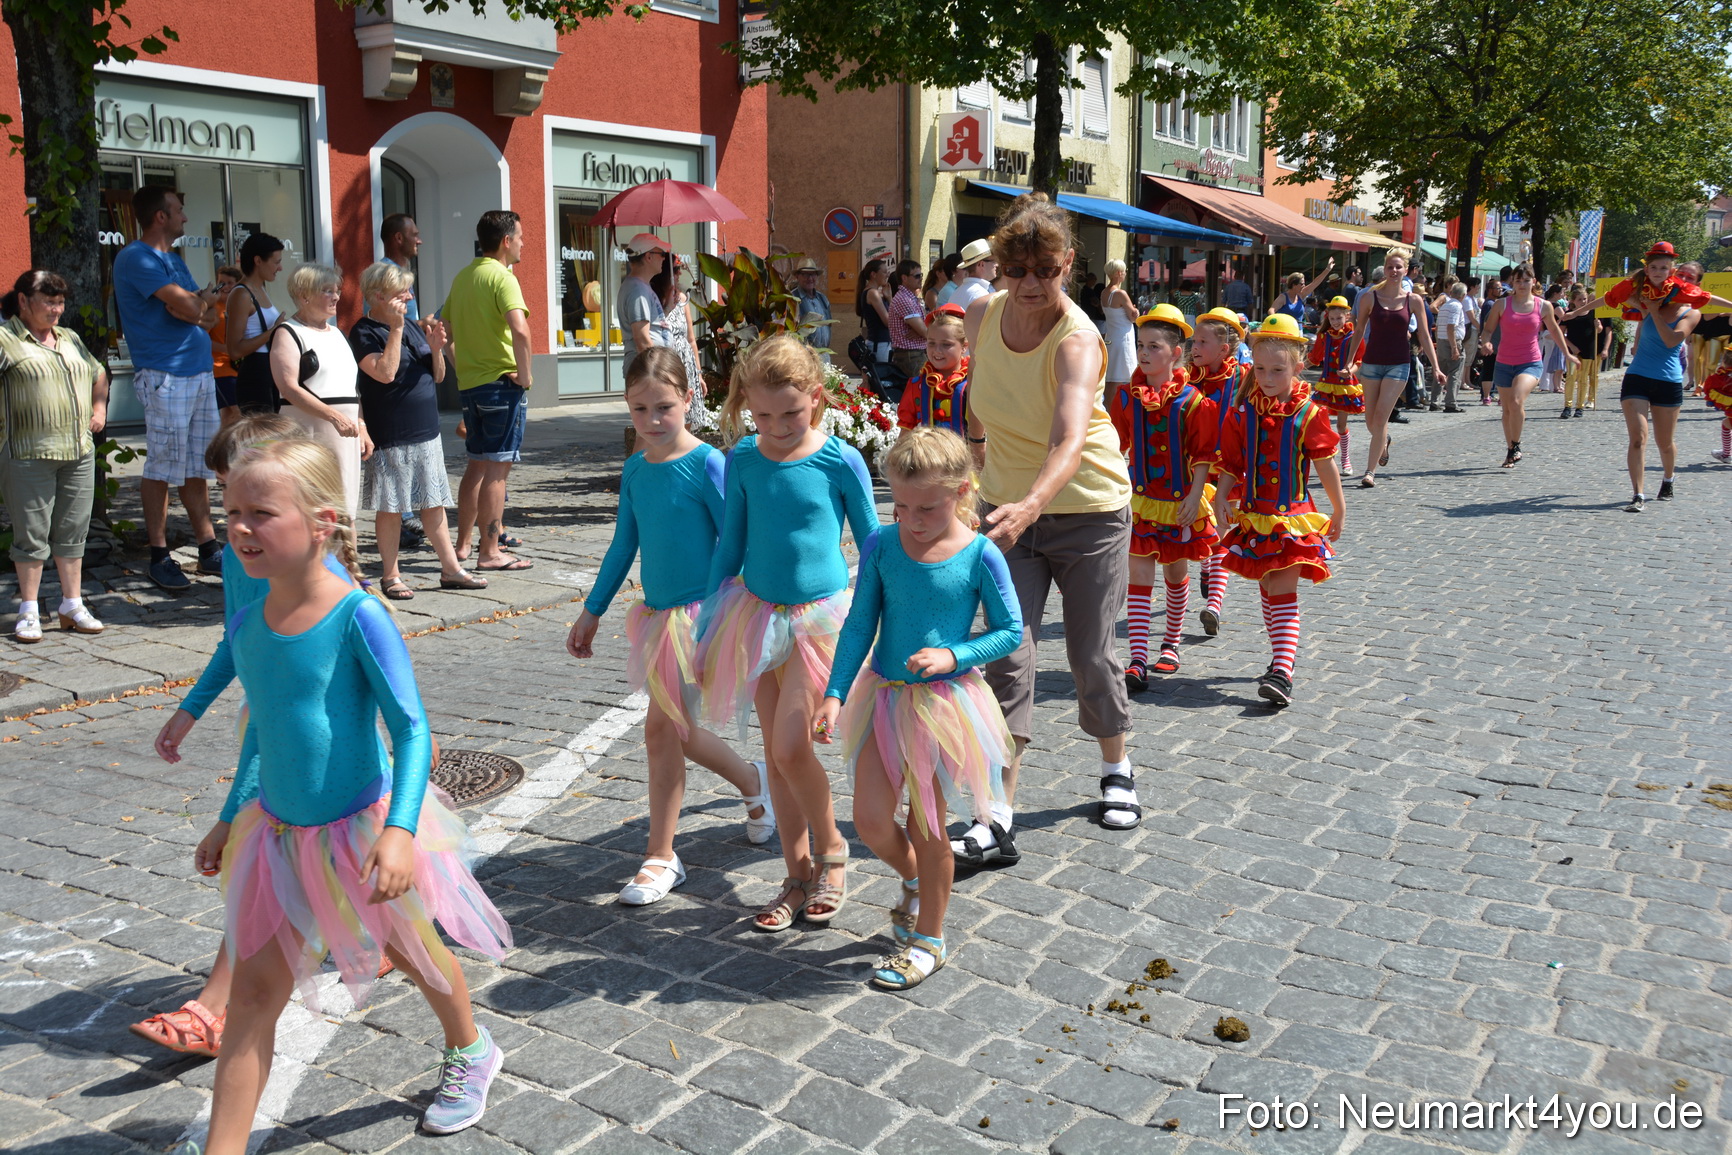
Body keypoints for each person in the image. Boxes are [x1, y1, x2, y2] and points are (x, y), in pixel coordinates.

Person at [191, 438, 510, 1153]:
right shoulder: (248, 622)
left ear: (321, 522)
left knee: (418, 948)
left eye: (261, 513)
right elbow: (263, 730)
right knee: (252, 996)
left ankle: (470, 1046)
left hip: (363, 833)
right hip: (275, 836)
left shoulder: (358, 615)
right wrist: (226, 818)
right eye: (231, 511)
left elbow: (412, 728)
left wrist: (399, 829)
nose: (240, 527)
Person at [137, 416, 358, 1061]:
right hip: (265, 711)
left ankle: (212, 1005)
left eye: (252, 501)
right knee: (295, 865)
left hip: (298, 731)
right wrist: (190, 710)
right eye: (225, 493)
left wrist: (232, 807)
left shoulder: (329, 584)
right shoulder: (246, 553)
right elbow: (236, 637)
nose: (236, 521)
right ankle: (224, 999)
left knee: (263, 855)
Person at [961, 192, 1140, 850]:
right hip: (1006, 510)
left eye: (1046, 270)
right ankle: (995, 813)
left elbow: (1068, 439)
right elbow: (980, 391)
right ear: (1001, 270)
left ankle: (1115, 766)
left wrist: (1032, 502)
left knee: (1090, 653)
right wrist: (976, 456)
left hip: (1087, 509)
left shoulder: (1079, 341)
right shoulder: (983, 314)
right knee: (1007, 653)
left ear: (1070, 266)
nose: (1031, 284)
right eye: (1017, 271)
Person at [814, 427, 1020, 991]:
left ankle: (929, 937)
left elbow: (1009, 631)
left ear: (961, 491)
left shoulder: (981, 554)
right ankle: (914, 880)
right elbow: (860, 623)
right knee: (871, 821)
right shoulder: (882, 544)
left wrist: (955, 653)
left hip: (942, 706)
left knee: (926, 825)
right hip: (882, 697)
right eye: (900, 505)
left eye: (926, 506)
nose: (911, 518)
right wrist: (834, 692)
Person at [568, 348, 776, 905]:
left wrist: (713, 621)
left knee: (663, 731)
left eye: (664, 407)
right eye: (639, 410)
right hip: (658, 618)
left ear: (690, 398)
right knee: (673, 731)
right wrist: (594, 607)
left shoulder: (708, 462)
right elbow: (623, 543)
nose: (653, 420)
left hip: (706, 614)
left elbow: (735, 542)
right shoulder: (636, 468)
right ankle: (752, 782)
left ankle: (662, 856)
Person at [696, 335, 879, 930]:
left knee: (790, 746)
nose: (775, 426)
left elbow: (874, 547)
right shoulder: (744, 459)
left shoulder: (840, 460)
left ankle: (833, 852)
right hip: (753, 613)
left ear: (818, 401)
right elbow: (732, 541)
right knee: (777, 757)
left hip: (819, 619)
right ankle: (796, 873)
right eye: (762, 415)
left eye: (790, 413)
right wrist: (708, 622)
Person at [1212, 314, 1345, 708]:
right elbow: (1232, 463)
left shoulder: (1309, 413)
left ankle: (1283, 670)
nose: (1268, 377)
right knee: (1268, 588)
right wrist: (1222, 497)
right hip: (1255, 516)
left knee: (1284, 589)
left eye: (1278, 369)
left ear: (1298, 367)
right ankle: (1277, 659)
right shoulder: (1243, 413)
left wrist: (1339, 507)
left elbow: (1324, 463)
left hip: (1292, 518)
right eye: (1262, 368)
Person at [111, 185, 225, 591]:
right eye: (179, 210)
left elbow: (205, 318)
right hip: (164, 375)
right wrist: (198, 305)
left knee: (198, 464)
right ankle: (158, 555)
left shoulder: (173, 262)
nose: (185, 217)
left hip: (196, 372)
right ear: (160, 216)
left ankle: (209, 549)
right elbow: (197, 308)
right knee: (162, 466)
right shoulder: (135, 258)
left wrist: (197, 306)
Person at [351, 261, 482, 597]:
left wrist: (437, 351)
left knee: (433, 503)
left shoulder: (410, 326)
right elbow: (384, 373)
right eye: (401, 292)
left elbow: (437, 376)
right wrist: (395, 329)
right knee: (391, 507)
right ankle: (391, 575)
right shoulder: (365, 331)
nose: (409, 297)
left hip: (426, 432)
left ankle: (451, 569)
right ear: (378, 295)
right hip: (391, 433)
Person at [1109, 304, 1217, 685]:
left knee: (1175, 572)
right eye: (1141, 345)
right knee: (1138, 575)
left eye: (1154, 346)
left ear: (1175, 353)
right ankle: (1138, 658)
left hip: (1180, 501)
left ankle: (1170, 644)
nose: (1143, 353)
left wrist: (1194, 494)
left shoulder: (1192, 401)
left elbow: (1204, 454)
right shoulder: (1125, 398)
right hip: (1139, 500)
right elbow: (1115, 445)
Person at [1, 270, 108, 643]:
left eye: (60, 301)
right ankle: (29, 610)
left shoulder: (70, 338)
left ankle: (71, 604)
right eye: (49, 301)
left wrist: (99, 410)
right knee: (31, 534)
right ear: (24, 302)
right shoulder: (5, 340)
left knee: (73, 531)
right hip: (28, 452)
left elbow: (98, 373)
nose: (57, 309)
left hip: (78, 451)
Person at [445, 210, 533, 572]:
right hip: (500, 385)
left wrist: (462, 367)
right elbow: (521, 331)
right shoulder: (503, 277)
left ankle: (464, 545)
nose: (524, 243)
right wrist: (525, 377)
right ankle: (490, 552)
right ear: (506, 241)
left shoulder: (464, 276)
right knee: (497, 470)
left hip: (471, 386)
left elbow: (445, 332)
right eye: (521, 236)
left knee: (477, 466)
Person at [270, 263, 367, 519]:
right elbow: (288, 387)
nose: (336, 296)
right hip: (309, 433)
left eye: (337, 290)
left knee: (346, 506)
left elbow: (352, 388)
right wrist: (334, 416)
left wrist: (362, 426)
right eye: (327, 290)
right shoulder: (289, 332)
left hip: (345, 435)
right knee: (313, 506)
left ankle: (347, 560)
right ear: (304, 296)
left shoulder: (337, 333)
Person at [1344, 252, 1443, 487]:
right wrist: (1350, 361)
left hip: (1399, 364)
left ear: (1405, 270)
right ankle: (1384, 441)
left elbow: (1425, 335)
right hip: (1371, 363)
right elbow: (1358, 331)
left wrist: (1437, 367)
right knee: (1371, 421)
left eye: (1398, 267)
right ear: (1385, 270)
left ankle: (1370, 471)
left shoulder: (1414, 300)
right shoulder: (1370, 298)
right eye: (1390, 267)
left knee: (1380, 418)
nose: (1394, 271)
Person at [1477, 263, 1575, 470]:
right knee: (1507, 410)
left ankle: (1516, 444)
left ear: (1534, 282)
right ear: (1512, 281)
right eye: (1518, 280)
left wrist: (1567, 353)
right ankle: (1510, 449)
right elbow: (1487, 330)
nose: (1522, 284)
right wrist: (1486, 342)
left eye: (1526, 280)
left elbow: (1556, 331)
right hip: (1504, 362)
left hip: (1530, 362)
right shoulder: (1501, 305)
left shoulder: (1543, 306)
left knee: (1516, 400)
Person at [1188, 307, 1248, 634]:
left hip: (1228, 468)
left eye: (1202, 342)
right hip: (1194, 466)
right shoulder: (1187, 377)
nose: (1194, 347)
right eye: (1193, 340)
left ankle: (1214, 604)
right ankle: (1207, 572)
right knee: (1203, 530)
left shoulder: (1243, 376)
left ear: (1224, 349)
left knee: (1222, 528)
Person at [1615, 277, 1698, 511]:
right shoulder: (1649, 303)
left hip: (1667, 381)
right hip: (1637, 377)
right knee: (1638, 438)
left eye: (1690, 280)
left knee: (1665, 443)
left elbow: (1672, 340)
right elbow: (1615, 294)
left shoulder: (1692, 314)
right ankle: (1638, 494)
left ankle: (1668, 478)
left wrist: (1654, 313)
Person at [226, 232, 285, 416]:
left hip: (268, 371)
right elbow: (234, 350)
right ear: (258, 260)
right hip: (255, 375)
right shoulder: (242, 294)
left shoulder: (260, 289)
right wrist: (273, 331)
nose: (280, 268)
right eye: (276, 262)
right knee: (263, 437)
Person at [1307, 295, 1364, 477]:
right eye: (1332, 319)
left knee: (1341, 425)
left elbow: (1359, 361)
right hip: (1325, 384)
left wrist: (1350, 371)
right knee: (1317, 420)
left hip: (1344, 385)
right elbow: (1314, 358)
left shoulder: (1354, 335)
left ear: (1347, 316)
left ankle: (1345, 458)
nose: (1335, 322)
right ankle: (1323, 456)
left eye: (1339, 318)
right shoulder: (1324, 335)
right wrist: (1295, 367)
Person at [897, 304, 970, 437]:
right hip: (927, 456)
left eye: (946, 344)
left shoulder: (974, 383)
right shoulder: (916, 385)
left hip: (965, 457)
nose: (937, 350)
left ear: (964, 346)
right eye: (931, 343)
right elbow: (906, 430)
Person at [650, 266, 708, 423]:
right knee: (668, 415)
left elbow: (691, 339)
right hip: (667, 363)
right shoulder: (654, 299)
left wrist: (699, 374)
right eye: (675, 272)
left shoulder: (682, 299)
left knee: (687, 417)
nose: (679, 275)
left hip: (686, 364)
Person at [618, 232, 667, 374]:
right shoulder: (637, 290)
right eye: (661, 253)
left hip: (648, 369)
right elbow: (642, 339)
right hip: (647, 372)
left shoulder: (640, 286)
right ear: (648, 256)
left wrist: (669, 306)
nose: (664, 258)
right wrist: (659, 372)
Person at [1560, 284, 1606, 418]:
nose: (1583, 302)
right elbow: (1561, 333)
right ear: (1573, 301)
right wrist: (1571, 346)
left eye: (1585, 299)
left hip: (1588, 349)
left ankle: (1579, 406)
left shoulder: (1594, 314)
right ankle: (1567, 405)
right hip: (1573, 350)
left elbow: (1599, 330)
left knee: (1583, 378)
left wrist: (1598, 327)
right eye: (1580, 299)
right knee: (1571, 376)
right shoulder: (1569, 315)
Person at [857, 258, 896, 392]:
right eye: (884, 272)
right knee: (881, 385)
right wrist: (890, 299)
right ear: (873, 274)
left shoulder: (873, 292)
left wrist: (888, 298)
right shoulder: (872, 293)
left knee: (878, 384)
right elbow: (887, 321)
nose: (887, 275)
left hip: (879, 343)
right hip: (879, 344)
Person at [210, 265, 243, 427]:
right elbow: (203, 340)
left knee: (228, 415)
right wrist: (227, 348)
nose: (225, 287)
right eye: (221, 282)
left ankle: (223, 449)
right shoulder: (212, 309)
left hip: (238, 367)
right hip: (220, 369)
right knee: (239, 411)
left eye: (230, 283)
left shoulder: (238, 306)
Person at [1100, 258, 1138, 393]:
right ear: (1118, 273)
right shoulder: (1121, 294)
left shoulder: (1104, 293)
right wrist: (1135, 311)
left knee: (1111, 376)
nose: (1125, 273)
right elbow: (1133, 317)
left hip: (1111, 336)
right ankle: (1116, 410)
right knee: (1121, 376)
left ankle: (1109, 409)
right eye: (1124, 271)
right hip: (1123, 337)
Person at [888, 259, 929, 381]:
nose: (921, 278)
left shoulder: (911, 298)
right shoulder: (904, 299)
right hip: (911, 355)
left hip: (915, 354)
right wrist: (922, 331)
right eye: (917, 276)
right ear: (904, 278)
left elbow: (925, 327)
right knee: (920, 392)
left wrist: (921, 331)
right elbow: (925, 331)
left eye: (921, 275)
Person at [378, 213, 423, 321]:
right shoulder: (384, 274)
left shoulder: (399, 271)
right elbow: (382, 327)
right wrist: (421, 325)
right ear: (399, 238)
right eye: (414, 235)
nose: (419, 241)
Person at [1432, 283, 1467, 412]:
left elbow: (1440, 326)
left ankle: (1435, 401)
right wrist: (1454, 347)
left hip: (1441, 340)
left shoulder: (1444, 306)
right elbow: (1451, 326)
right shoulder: (1456, 306)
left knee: (1441, 371)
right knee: (1455, 372)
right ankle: (1451, 402)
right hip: (1452, 341)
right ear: (1463, 295)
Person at [791, 259, 833, 360]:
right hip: (802, 356)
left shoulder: (822, 299)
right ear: (797, 276)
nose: (810, 278)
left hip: (824, 354)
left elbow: (829, 325)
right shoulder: (792, 298)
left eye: (813, 274)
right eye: (805, 274)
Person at [1274, 261, 1336, 329]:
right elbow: (1271, 310)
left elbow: (1315, 283)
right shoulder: (1283, 297)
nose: (1304, 286)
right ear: (1294, 285)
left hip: (1298, 332)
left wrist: (1328, 269)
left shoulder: (1301, 295)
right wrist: (1277, 322)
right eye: (1302, 284)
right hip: (1284, 331)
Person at [951, 239, 998, 309]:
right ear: (981, 264)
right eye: (994, 261)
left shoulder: (956, 293)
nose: (997, 264)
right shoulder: (980, 295)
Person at [1704, 346, 1732, 462]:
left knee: (1726, 424)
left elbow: (1712, 388)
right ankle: (1726, 453)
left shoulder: (1723, 377)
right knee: (1726, 424)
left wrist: (1710, 400)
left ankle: (1726, 454)